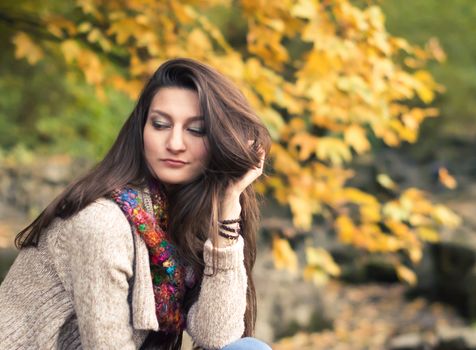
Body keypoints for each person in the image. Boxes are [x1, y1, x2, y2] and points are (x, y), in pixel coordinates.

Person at [0, 58, 273, 350]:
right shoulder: (102, 224)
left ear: (218, 142)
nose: (175, 143)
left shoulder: (181, 218)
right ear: (141, 130)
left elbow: (219, 337)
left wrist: (227, 206)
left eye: (195, 130)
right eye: (160, 124)